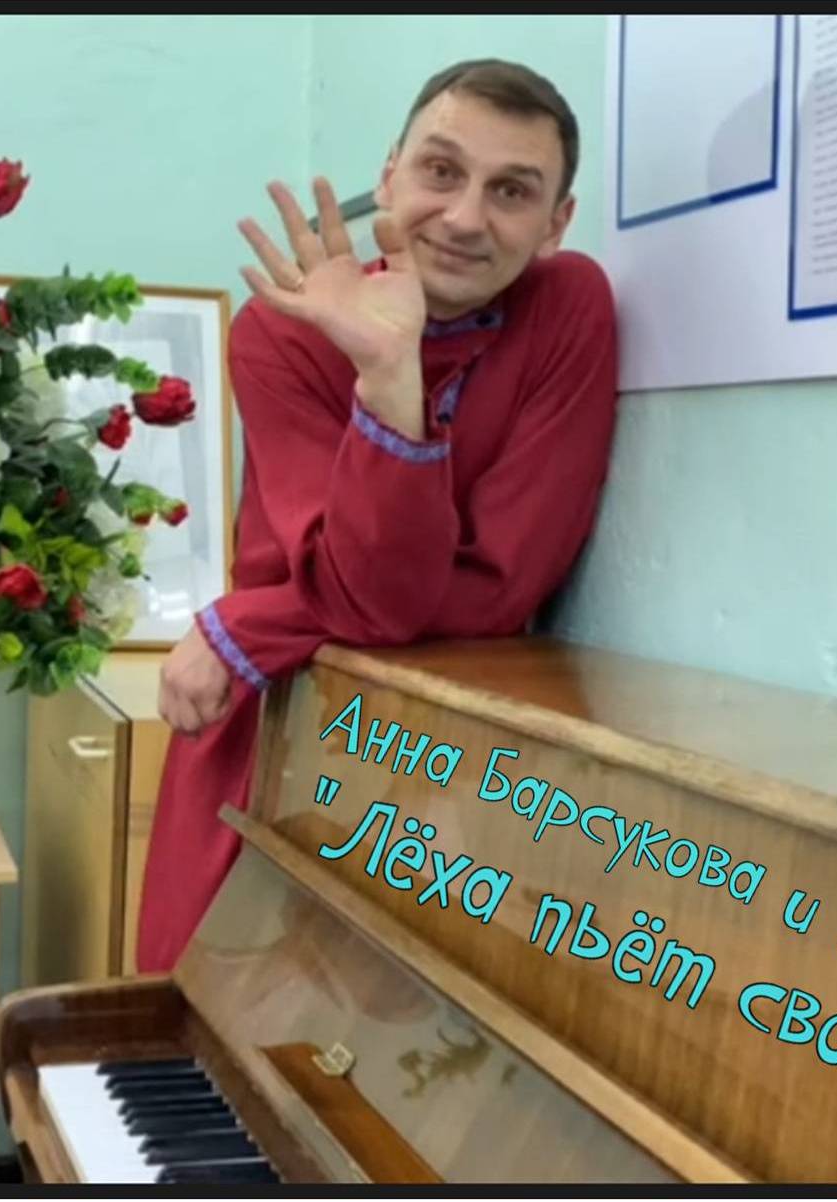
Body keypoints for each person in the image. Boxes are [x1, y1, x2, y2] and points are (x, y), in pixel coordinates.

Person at [136, 59, 621, 972]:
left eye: (511, 191)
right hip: (275, 721)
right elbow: (374, 594)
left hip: (450, 758)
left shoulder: (569, 309)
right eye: (441, 171)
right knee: (207, 1002)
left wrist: (253, 620)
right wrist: (392, 375)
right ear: (390, 174)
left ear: (556, 224)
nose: (466, 218)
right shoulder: (282, 329)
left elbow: (497, 591)